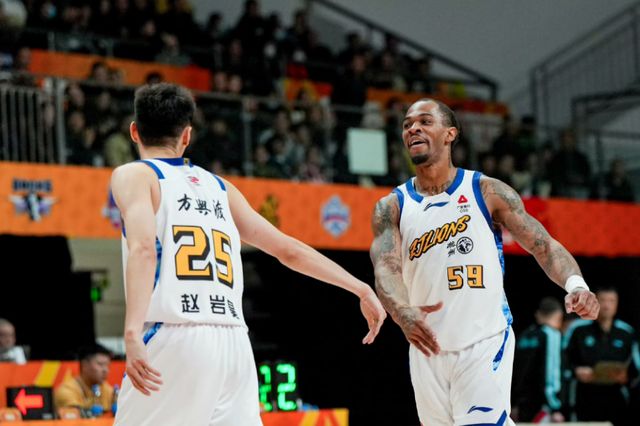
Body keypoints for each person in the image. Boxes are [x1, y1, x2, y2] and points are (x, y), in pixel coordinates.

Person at [110, 83, 386, 426]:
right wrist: (360, 286)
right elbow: (288, 250)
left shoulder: (135, 174)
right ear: (187, 136)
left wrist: (132, 332)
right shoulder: (220, 187)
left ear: (134, 131)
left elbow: (142, 249)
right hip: (234, 343)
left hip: (175, 333)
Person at [369, 98, 599, 426]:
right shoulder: (391, 206)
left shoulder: (486, 190)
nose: (413, 128)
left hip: (483, 340)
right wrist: (401, 310)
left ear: (450, 134)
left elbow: (543, 245)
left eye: (424, 121)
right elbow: (386, 269)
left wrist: (576, 285)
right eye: (407, 125)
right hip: (426, 348)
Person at [564, 286, 639, 425]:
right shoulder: (578, 329)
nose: (606, 305)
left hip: (616, 398)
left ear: (617, 304)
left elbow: (636, 365)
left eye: (611, 301)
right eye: (603, 300)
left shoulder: (626, 332)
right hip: (585, 396)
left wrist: (627, 376)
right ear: (595, 302)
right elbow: (563, 359)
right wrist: (576, 370)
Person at [512, 297, 565, 422]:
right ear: (558, 315)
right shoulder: (551, 334)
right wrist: (555, 407)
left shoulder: (525, 335)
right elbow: (551, 372)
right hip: (542, 406)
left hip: (520, 404)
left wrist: (513, 402)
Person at [54, 344, 114, 418]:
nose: (105, 370)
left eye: (107, 365)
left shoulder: (108, 390)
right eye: (100, 364)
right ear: (84, 365)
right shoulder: (66, 391)